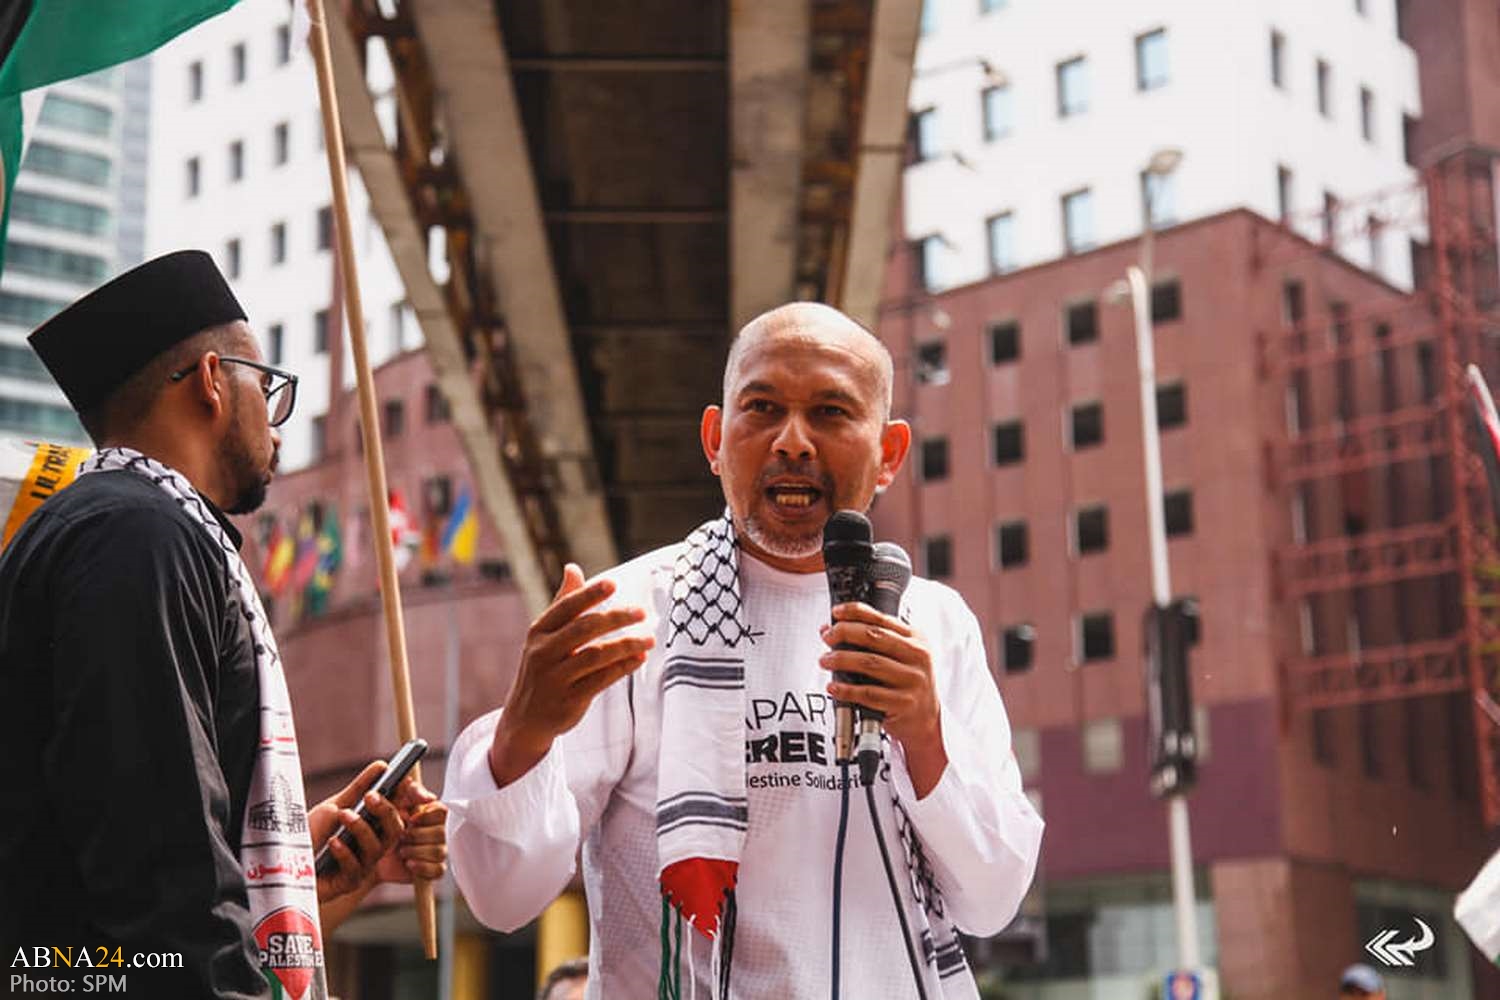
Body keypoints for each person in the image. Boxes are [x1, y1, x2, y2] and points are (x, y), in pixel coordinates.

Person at [445, 302, 1044, 998]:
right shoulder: (631, 613)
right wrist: (523, 732)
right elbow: (501, 895)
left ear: (889, 454)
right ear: (715, 439)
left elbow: (993, 897)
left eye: (830, 412)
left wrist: (926, 737)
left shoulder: (934, 625)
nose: (793, 442)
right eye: (762, 409)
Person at [0, 251, 447, 999]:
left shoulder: (124, 528)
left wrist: (292, 864)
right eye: (266, 389)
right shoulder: (138, 536)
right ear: (212, 380)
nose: (276, 426)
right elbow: (159, 864)